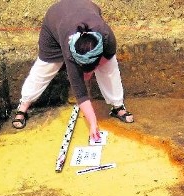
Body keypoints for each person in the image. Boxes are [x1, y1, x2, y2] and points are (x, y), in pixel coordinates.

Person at [11, 0, 133, 142]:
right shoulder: (70, 51)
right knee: (45, 68)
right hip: (55, 20)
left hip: (85, 7)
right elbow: (80, 93)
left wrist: (91, 70)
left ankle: (117, 105)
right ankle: (23, 105)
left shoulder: (106, 35)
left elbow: (108, 56)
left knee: (109, 67)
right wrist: (93, 123)